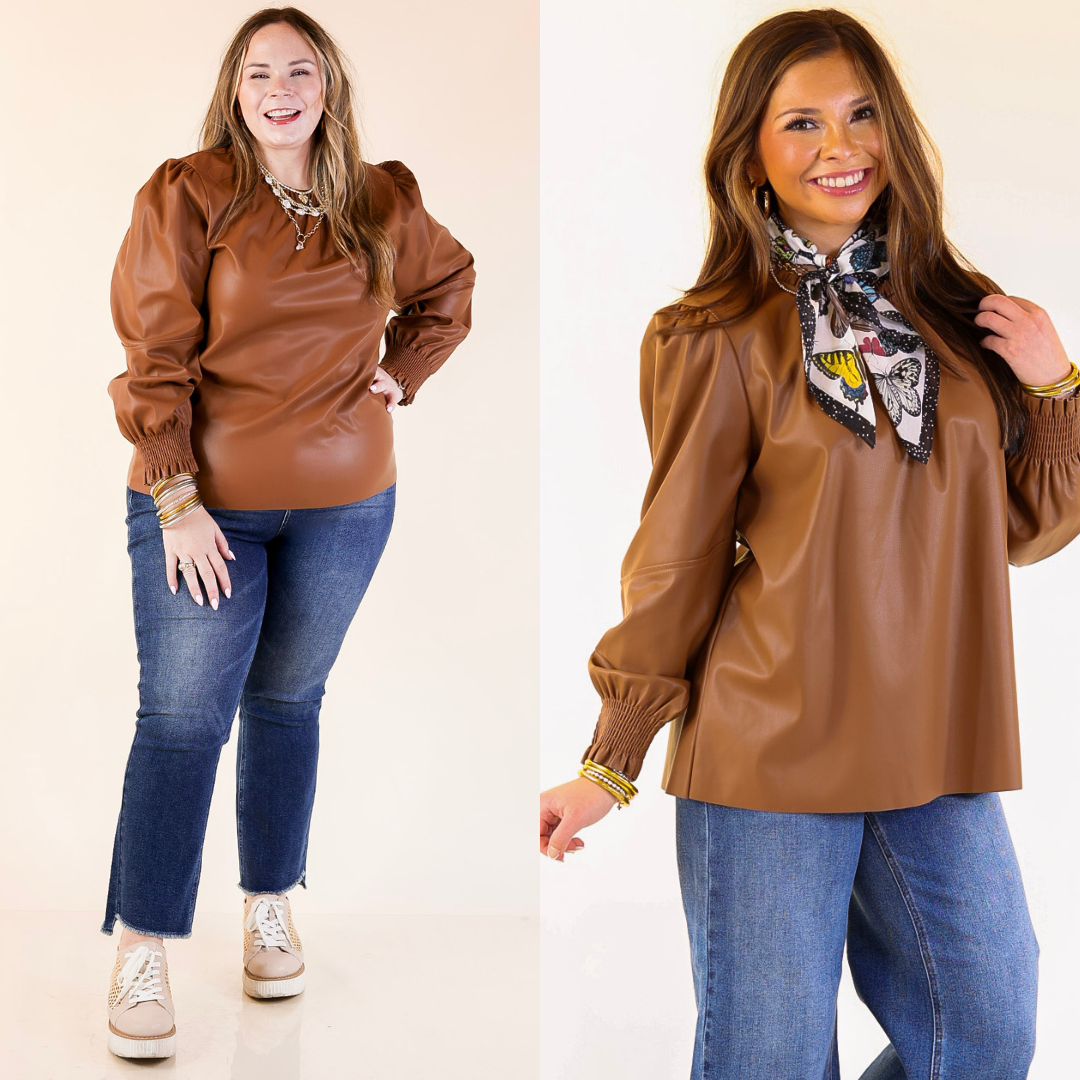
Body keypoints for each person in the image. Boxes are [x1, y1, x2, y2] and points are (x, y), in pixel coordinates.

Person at [539, 9, 1078, 1078]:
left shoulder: (958, 317)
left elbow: (1020, 531)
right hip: (771, 742)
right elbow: (679, 555)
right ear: (750, 157)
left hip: (936, 738)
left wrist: (1055, 388)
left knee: (986, 1029)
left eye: (862, 114)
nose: (842, 146)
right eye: (802, 123)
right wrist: (615, 754)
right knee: (770, 1061)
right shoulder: (714, 335)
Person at [102, 6, 474, 1060]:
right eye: (259, 72)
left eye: (299, 71)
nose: (279, 90)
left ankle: (269, 909)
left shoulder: (382, 198)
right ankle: (141, 946)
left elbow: (450, 285)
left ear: (327, 87)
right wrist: (176, 500)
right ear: (235, 89)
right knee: (182, 721)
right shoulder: (190, 192)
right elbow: (153, 355)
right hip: (203, 506)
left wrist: (403, 370)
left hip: (347, 505)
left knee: (287, 702)